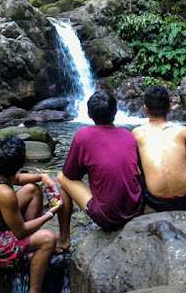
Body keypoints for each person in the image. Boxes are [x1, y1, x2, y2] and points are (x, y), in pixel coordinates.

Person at [0, 136, 59, 293]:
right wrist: (50, 213)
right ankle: (34, 290)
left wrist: (42, 177)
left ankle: (31, 247)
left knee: (33, 190)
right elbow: (20, 231)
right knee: (49, 238)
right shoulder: (4, 193)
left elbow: (17, 178)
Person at [56, 90, 143, 252]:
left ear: (88, 114)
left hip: (108, 218)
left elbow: (70, 175)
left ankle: (64, 239)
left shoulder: (83, 136)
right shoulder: (129, 135)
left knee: (61, 178)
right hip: (136, 210)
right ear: (116, 112)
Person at [132, 85, 186, 212]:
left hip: (156, 201)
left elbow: (136, 171)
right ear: (169, 108)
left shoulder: (137, 133)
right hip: (185, 200)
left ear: (145, 109)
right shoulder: (183, 131)